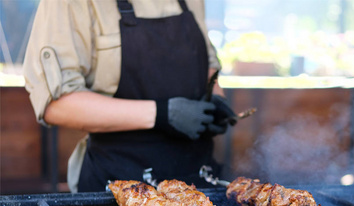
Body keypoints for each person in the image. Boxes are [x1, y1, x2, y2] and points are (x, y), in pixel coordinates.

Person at [23, 0, 235, 192]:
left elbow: (209, 66)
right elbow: (56, 105)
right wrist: (161, 114)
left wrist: (215, 99)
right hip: (119, 186)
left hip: (199, 181)